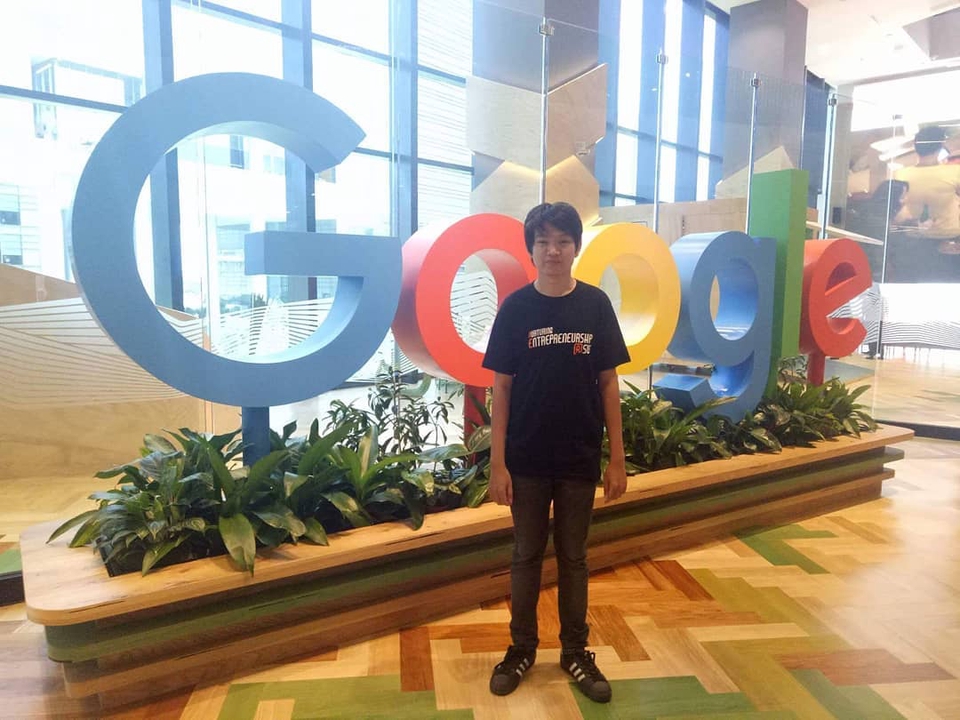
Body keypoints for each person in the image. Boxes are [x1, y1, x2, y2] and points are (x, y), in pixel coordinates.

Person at [481, 201, 630, 704]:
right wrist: (497, 463)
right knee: (525, 556)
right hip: (525, 460)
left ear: (575, 247)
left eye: (562, 241)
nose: (553, 250)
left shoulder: (595, 306)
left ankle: (574, 651)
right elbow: (501, 388)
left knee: (574, 558)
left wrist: (616, 458)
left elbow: (608, 383)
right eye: (543, 241)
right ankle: (521, 648)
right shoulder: (516, 309)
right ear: (531, 249)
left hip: (578, 458)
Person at [892, 125, 960, 278]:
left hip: (913, 243)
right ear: (941, 145)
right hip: (950, 242)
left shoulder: (900, 174)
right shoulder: (954, 172)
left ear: (915, 147)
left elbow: (896, 211)